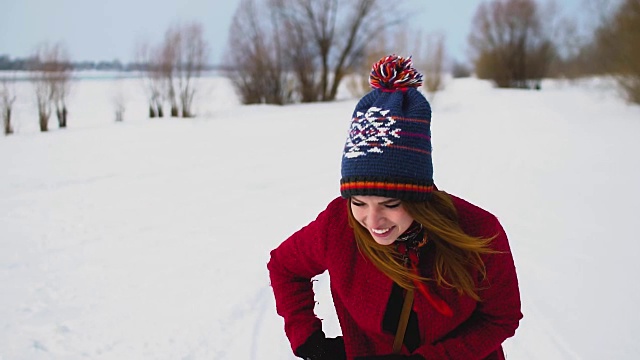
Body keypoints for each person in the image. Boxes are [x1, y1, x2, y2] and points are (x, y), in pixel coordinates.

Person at [267, 55, 522, 360]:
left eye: (390, 203)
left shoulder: (478, 231)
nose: (373, 220)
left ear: (418, 196)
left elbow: (501, 318)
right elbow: (283, 266)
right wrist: (309, 341)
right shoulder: (338, 224)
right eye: (359, 202)